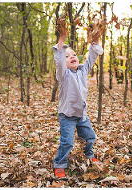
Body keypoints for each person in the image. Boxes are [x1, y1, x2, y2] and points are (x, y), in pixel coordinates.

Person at [51, 16, 105, 178]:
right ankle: (60, 163)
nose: (72, 57)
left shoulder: (82, 70)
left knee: (90, 137)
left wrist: (93, 42)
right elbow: (59, 62)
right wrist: (62, 40)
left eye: (73, 54)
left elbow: (92, 58)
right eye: (67, 56)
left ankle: (89, 154)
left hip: (82, 115)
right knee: (67, 142)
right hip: (67, 115)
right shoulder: (64, 75)